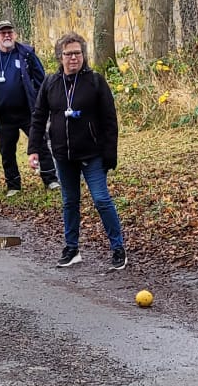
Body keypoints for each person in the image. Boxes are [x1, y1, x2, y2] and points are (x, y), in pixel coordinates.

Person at [29, 32, 126, 271]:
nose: (73, 58)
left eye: (77, 53)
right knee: (69, 202)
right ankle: (71, 249)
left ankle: (118, 248)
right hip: (63, 155)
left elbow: (110, 120)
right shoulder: (51, 83)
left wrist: (110, 155)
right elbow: (39, 117)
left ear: (84, 55)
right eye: (68, 54)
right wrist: (34, 149)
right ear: (60, 57)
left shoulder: (95, 81)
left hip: (92, 155)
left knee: (101, 199)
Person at [0, 19, 53, 193]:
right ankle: (13, 185)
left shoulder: (27, 53)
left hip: (28, 111)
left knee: (40, 143)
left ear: (15, 34)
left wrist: (43, 106)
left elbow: (41, 81)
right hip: (3, 114)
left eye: (9, 32)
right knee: (6, 151)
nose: (7, 35)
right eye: (3, 32)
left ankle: (51, 179)